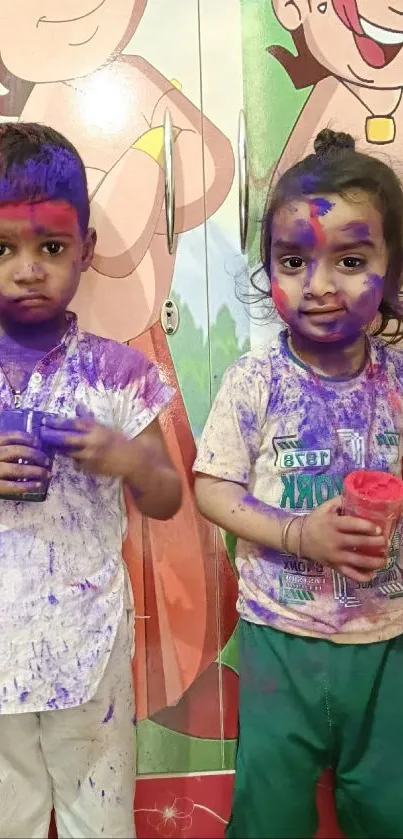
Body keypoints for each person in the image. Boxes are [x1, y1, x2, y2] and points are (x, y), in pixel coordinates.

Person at [194, 128, 403, 839]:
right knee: (269, 813)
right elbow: (211, 488)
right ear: (269, 271)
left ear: (391, 273)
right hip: (278, 641)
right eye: (292, 260)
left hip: (386, 643)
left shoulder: (399, 382)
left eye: (349, 259)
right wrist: (297, 531)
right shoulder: (255, 381)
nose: (317, 285)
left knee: (386, 807)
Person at [0, 121, 182, 839]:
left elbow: (167, 497)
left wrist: (134, 461)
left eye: (50, 247)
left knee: (99, 826)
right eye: (3, 248)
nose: (27, 268)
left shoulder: (118, 371)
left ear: (86, 250)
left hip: (87, 653)